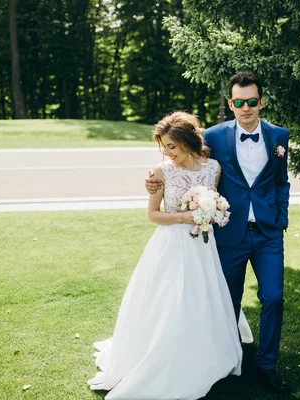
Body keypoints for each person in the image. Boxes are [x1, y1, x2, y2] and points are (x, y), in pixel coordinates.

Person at [146, 71, 291, 394]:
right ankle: (227, 360)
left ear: (261, 102)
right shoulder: (213, 136)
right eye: (239, 102)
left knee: (273, 298)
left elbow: (282, 181)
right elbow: (183, 158)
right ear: (231, 103)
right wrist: (153, 182)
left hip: (268, 233)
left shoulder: (280, 136)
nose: (246, 108)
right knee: (226, 301)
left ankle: (266, 366)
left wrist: (281, 216)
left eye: (252, 101)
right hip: (228, 234)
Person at [88, 111, 244, 400]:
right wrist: (187, 217)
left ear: (187, 142)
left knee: (202, 300)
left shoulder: (214, 169)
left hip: (203, 247)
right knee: (172, 301)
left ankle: (204, 354)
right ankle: (165, 355)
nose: (166, 152)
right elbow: (153, 215)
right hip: (172, 245)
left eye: (171, 146)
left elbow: (217, 202)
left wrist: (211, 210)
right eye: (163, 146)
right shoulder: (161, 172)